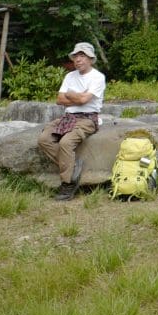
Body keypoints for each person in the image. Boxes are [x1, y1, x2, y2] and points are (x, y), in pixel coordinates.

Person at [37, 42, 106, 201]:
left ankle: (67, 184)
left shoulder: (98, 77)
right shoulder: (70, 76)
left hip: (88, 118)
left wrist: (73, 96)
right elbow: (60, 100)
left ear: (90, 59)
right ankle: (73, 166)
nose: (78, 60)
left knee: (66, 143)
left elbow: (84, 100)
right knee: (43, 139)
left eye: (82, 56)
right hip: (68, 117)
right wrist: (79, 97)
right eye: (75, 56)